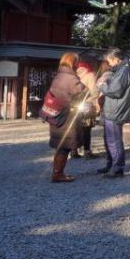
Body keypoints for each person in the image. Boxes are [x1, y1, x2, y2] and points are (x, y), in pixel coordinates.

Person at [47, 52, 89, 183]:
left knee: (61, 146)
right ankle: (58, 174)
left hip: (56, 115)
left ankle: (57, 172)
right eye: (77, 62)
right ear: (74, 63)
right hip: (66, 117)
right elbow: (82, 92)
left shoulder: (59, 75)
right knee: (64, 146)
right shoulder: (71, 78)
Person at [98, 48, 130, 178]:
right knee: (112, 140)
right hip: (114, 109)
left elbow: (115, 91)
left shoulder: (124, 70)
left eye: (110, 61)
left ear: (115, 59)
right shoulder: (122, 69)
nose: (110, 64)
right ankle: (114, 165)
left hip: (115, 110)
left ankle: (117, 168)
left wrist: (102, 85)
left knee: (114, 141)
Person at [74, 58, 101, 158]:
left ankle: (74, 151)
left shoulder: (74, 75)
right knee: (86, 129)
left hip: (74, 106)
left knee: (75, 129)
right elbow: (95, 92)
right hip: (86, 106)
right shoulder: (90, 75)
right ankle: (87, 151)